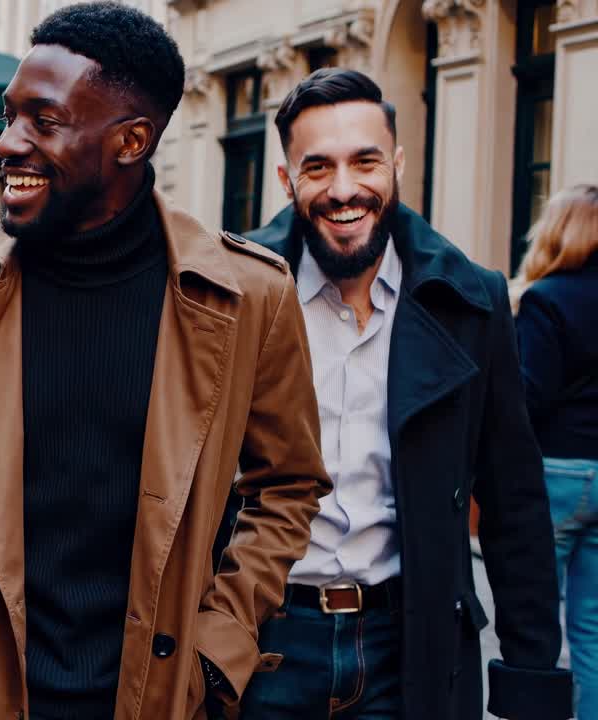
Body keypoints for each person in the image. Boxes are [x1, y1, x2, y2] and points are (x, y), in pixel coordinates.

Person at [0, 3, 331, 718]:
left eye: (45, 120)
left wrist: (219, 643)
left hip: (159, 697)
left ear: (131, 140)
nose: (8, 143)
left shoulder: (247, 296)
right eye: (9, 116)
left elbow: (288, 485)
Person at [241, 68, 572, 720]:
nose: (344, 189)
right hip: (261, 642)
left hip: (410, 645)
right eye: (318, 167)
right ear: (285, 180)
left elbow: (513, 501)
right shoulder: (236, 293)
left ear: (396, 165)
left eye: (365, 161)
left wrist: (531, 678)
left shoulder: (470, 300)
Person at [512, 183, 598, 720]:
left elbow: (528, 394)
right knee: (592, 627)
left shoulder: (547, 298)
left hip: (558, 471)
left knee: (534, 619)